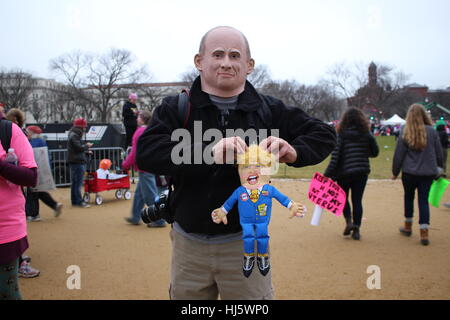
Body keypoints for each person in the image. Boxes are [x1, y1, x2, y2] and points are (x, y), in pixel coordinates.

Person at [136, 26, 336, 300]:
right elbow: (147, 152)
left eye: (235, 55)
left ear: (249, 65)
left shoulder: (269, 110)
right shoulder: (176, 107)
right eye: (217, 54)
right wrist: (208, 153)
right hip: (188, 243)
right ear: (199, 61)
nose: (226, 62)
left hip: (246, 243)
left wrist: (295, 151)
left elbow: (324, 134)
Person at [211, 145, 306, 277]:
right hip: (246, 221)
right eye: (246, 166)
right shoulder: (240, 191)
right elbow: (229, 203)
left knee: (262, 237)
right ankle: (248, 257)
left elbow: (283, 199)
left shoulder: (269, 189)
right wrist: (222, 211)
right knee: (248, 237)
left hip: (262, 221)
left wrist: (292, 205)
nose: (252, 170)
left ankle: (262, 257)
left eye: (258, 166)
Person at [324, 107, 379, 240]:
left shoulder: (341, 134)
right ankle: (357, 228)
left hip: (344, 173)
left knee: (343, 199)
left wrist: (327, 174)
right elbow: (375, 152)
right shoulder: (366, 134)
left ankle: (348, 221)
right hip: (361, 171)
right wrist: (363, 153)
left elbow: (335, 157)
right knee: (357, 200)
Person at [392, 104, 443, 246]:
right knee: (423, 201)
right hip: (427, 172)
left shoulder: (405, 130)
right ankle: (424, 231)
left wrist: (395, 172)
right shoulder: (432, 132)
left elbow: (399, 155)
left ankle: (408, 226)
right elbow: (439, 153)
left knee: (408, 197)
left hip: (409, 172)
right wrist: (440, 168)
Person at [0, 114, 38, 299]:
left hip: (4, 229)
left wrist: (1, 166)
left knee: (7, 293)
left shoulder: (8, 130)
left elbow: (30, 177)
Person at [122, 110, 164, 227]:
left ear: (143, 119)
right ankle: (135, 217)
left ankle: (159, 220)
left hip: (145, 167)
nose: (136, 119)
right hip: (149, 165)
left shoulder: (140, 131)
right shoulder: (151, 130)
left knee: (150, 195)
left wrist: (125, 164)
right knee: (139, 195)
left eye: (138, 117)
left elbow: (135, 151)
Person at [24, 125, 63, 222]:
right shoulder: (41, 141)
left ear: (32, 133)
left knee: (32, 192)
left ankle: (34, 214)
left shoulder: (35, 142)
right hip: (39, 169)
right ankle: (54, 205)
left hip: (35, 169)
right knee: (38, 191)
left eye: (28, 132)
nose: (27, 133)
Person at [67, 118, 93, 208]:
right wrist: (87, 146)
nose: (85, 129)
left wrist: (86, 151)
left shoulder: (73, 134)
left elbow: (76, 149)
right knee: (78, 183)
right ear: (81, 127)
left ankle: (75, 201)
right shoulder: (74, 135)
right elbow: (78, 148)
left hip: (75, 160)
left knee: (75, 182)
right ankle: (79, 201)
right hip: (77, 162)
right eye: (84, 127)